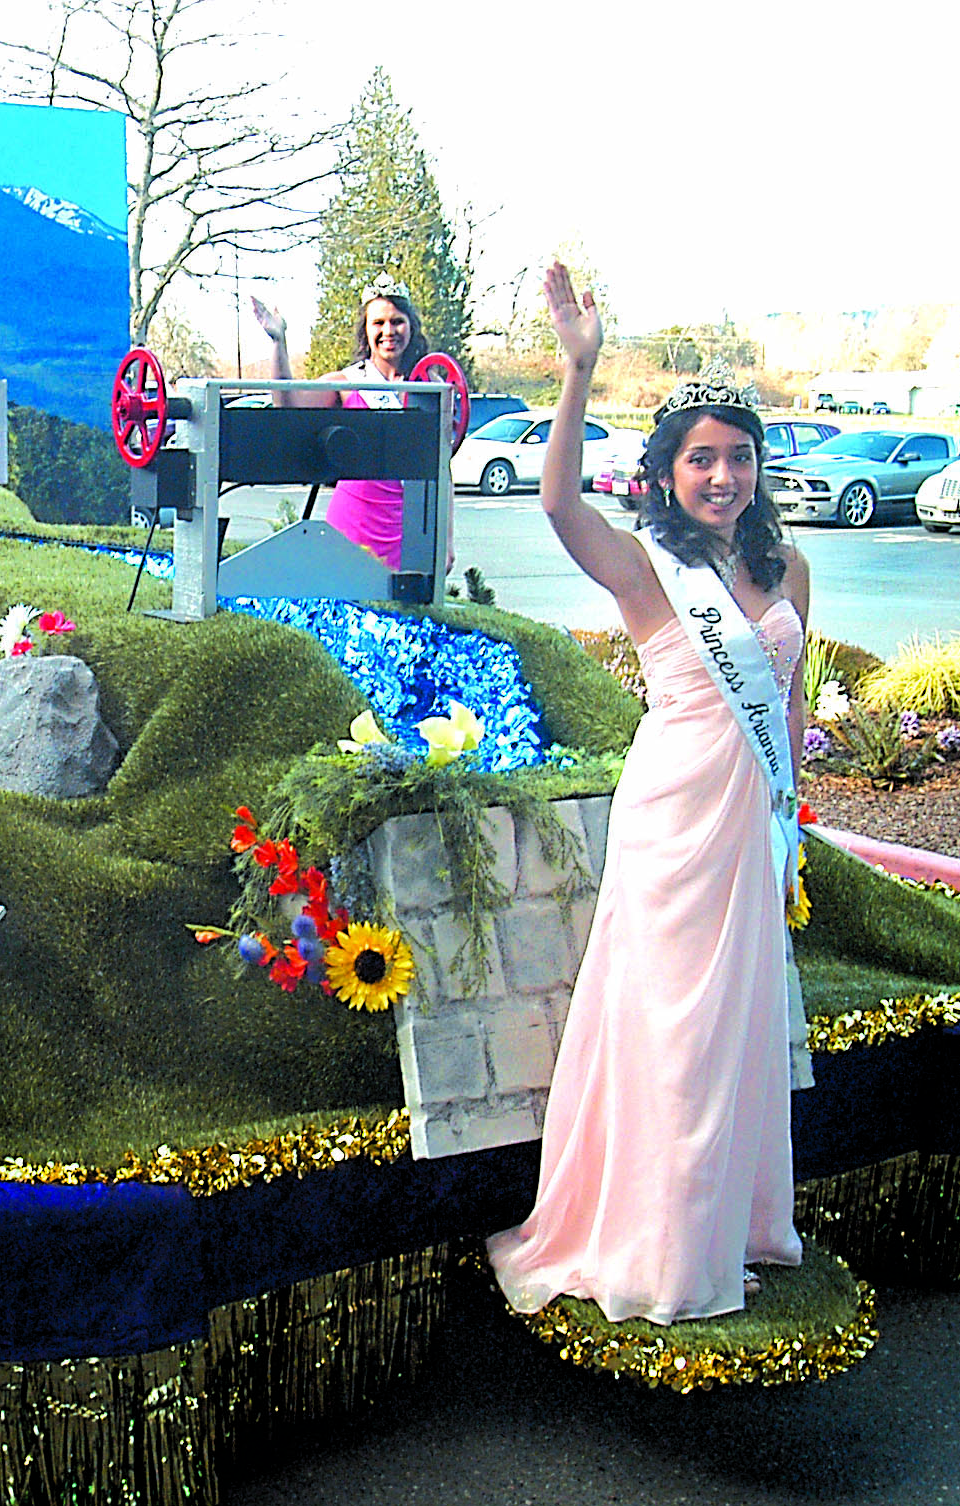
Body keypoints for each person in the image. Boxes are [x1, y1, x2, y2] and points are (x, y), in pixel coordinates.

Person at [484, 261, 811, 1324]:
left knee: (735, 1025)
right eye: (700, 459)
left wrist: (792, 817)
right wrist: (575, 372)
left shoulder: (791, 570)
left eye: (738, 457)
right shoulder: (640, 568)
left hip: (746, 818)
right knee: (670, 1027)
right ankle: (658, 1242)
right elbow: (554, 499)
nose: (722, 476)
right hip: (670, 819)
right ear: (667, 472)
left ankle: (728, 1223)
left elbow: (788, 705)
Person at [254, 283, 432, 568]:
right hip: (352, 526)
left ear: (411, 327)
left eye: (397, 321)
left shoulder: (430, 387)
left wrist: (445, 540)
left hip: (409, 530)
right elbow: (288, 405)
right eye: (378, 323)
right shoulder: (347, 383)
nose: (389, 331)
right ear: (366, 331)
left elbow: (441, 466)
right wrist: (279, 342)